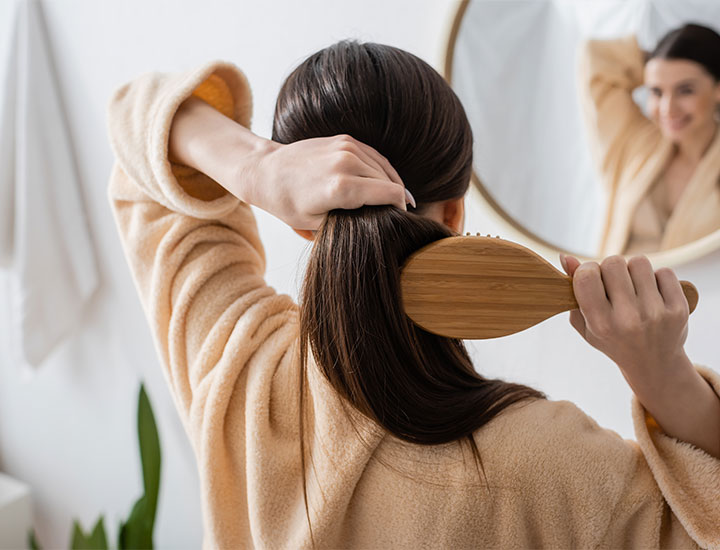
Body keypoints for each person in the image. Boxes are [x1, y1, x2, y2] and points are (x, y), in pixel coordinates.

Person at [108, 41, 720, 548]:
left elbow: (140, 136)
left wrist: (256, 167)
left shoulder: (238, 372)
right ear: (455, 212)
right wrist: (667, 381)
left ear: (297, 217)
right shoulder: (558, 467)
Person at [579, 23, 720, 256]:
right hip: (608, 292)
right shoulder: (632, 142)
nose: (667, 108)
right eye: (656, 91)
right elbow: (595, 57)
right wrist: (653, 60)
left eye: (685, 90)